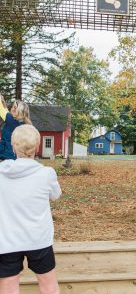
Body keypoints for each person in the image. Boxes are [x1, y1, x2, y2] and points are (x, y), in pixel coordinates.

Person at [0, 124, 61, 294]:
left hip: (7, 240)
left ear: (12, 146)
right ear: (37, 146)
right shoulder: (46, 173)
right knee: (48, 285)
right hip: (38, 239)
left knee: (8, 286)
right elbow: (55, 195)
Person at [0, 94, 32, 160]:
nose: (11, 109)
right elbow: (6, 112)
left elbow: (2, 111)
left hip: (7, 156)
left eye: (14, 107)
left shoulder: (12, 121)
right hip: (14, 155)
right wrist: (3, 102)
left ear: (17, 110)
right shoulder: (20, 122)